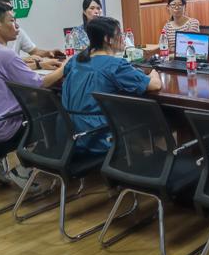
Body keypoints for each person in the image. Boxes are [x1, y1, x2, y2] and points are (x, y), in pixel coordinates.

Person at [0, 0, 68, 186]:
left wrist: (38, 63)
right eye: (12, 21)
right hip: (6, 125)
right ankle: (26, 169)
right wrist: (65, 67)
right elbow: (39, 83)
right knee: (53, 110)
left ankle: (1, 160)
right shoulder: (4, 54)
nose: (17, 26)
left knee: (40, 102)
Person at [61, 16, 161, 154]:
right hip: (97, 135)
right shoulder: (115, 65)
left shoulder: (76, 60)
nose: (123, 38)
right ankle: (149, 156)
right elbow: (154, 85)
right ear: (108, 39)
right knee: (147, 116)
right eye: (119, 34)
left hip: (68, 133)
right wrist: (153, 73)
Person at [0, 0, 62, 68]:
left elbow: (34, 51)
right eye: (6, 9)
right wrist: (24, 61)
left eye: (11, 9)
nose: (11, 12)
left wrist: (48, 53)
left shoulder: (17, 31)